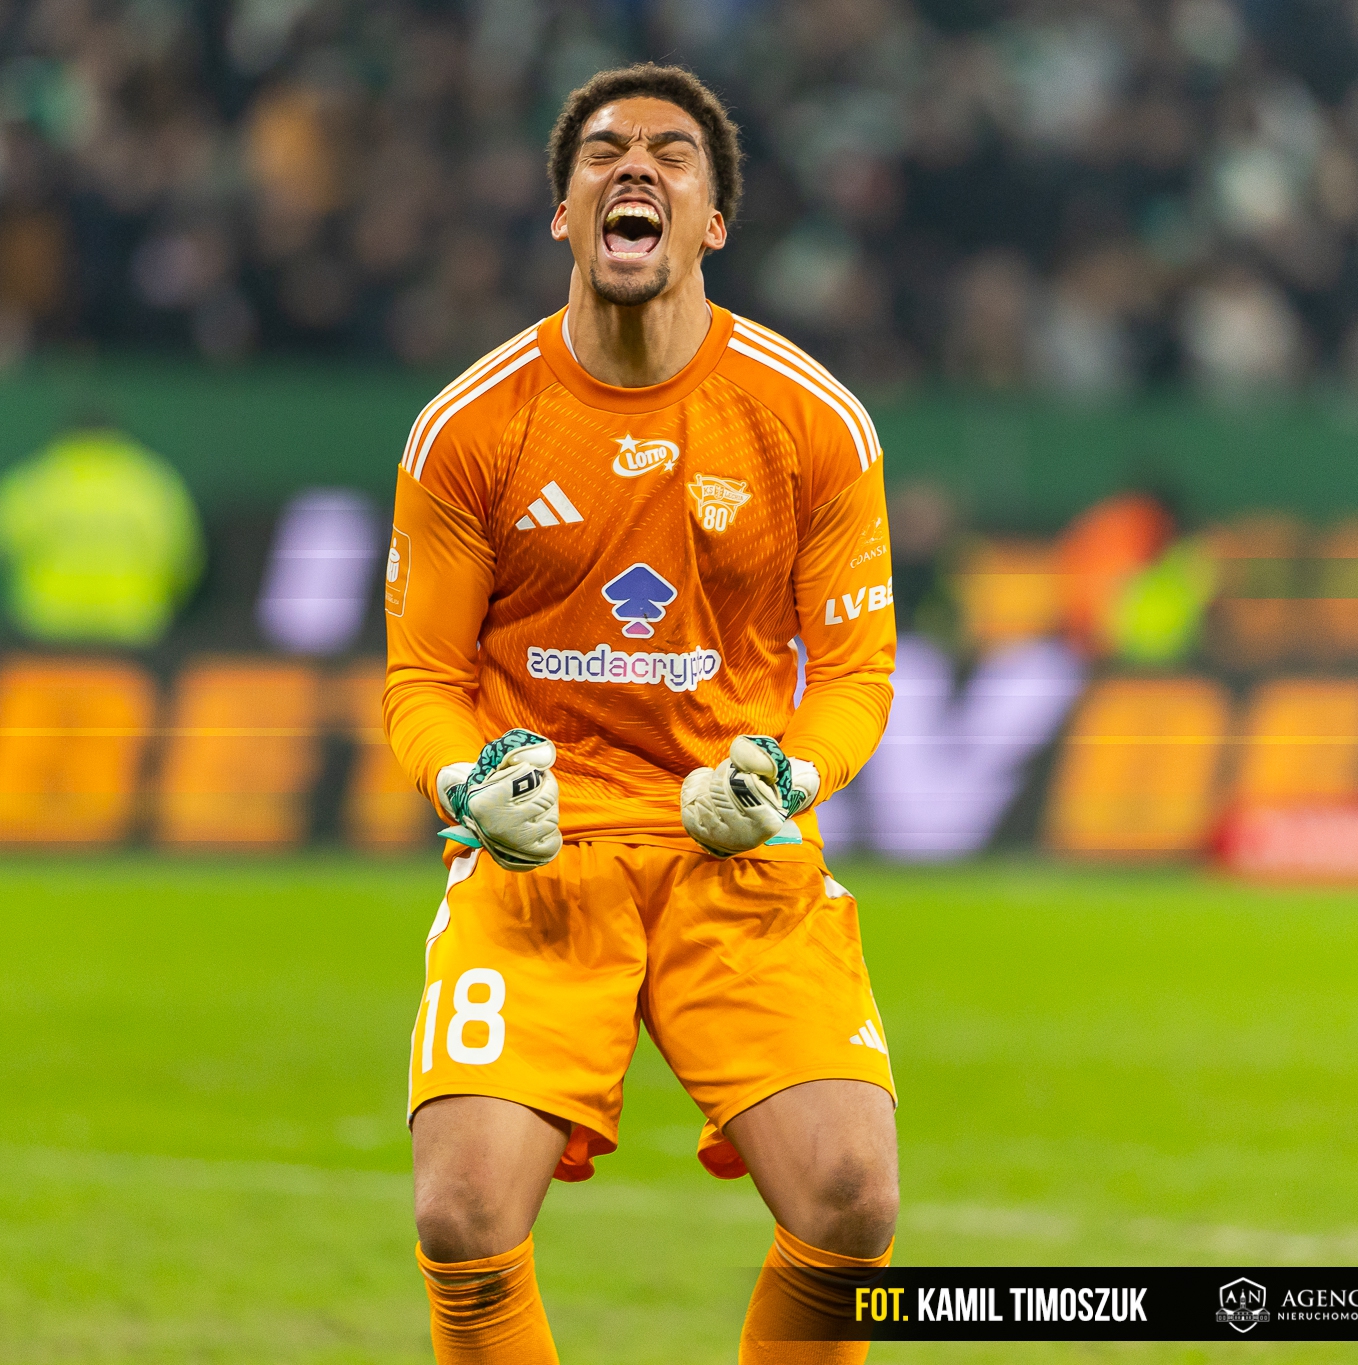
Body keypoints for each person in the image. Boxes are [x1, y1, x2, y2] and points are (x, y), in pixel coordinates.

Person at [382, 64, 899, 1364]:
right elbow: (422, 684)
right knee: (459, 1215)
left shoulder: (812, 422)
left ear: (712, 222)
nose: (635, 167)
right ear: (563, 212)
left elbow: (856, 674)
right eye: (604, 151)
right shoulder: (467, 431)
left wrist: (786, 779)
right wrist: (468, 790)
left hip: (734, 850)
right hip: (542, 859)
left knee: (850, 1199)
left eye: (672, 156)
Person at [0, 416, 202, 647]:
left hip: (49, 628)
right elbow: (183, 559)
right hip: (129, 631)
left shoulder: (36, 478)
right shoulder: (151, 482)